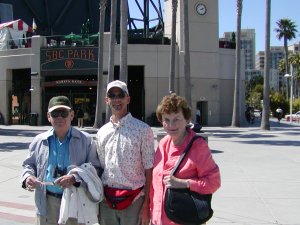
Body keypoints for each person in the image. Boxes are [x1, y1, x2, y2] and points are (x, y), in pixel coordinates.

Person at [20, 96, 101, 225]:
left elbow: (95, 169)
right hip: (47, 202)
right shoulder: (39, 140)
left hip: (75, 201)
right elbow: (28, 164)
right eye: (55, 114)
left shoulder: (86, 141)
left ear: (72, 115)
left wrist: (75, 179)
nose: (59, 118)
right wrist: (28, 177)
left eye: (63, 113)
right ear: (48, 116)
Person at [150, 93, 221, 225]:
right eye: (166, 119)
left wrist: (185, 183)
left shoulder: (198, 146)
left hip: (185, 219)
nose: (171, 125)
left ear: (187, 119)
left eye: (176, 119)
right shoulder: (163, 143)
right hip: (158, 219)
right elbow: (155, 184)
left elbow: (214, 182)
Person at [96, 80, 154, 225]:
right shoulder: (102, 132)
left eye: (120, 95)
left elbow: (149, 170)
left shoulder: (143, 130)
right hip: (107, 201)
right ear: (107, 100)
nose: (116, 99)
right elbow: (102, 166)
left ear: (128, 99)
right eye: (112, 95)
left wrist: (146, 205)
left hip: (134, 201)